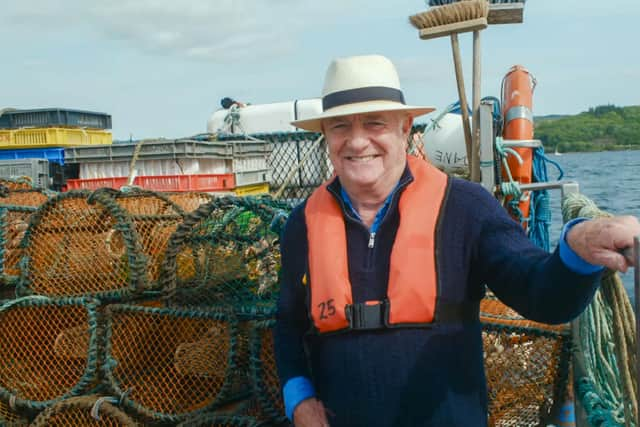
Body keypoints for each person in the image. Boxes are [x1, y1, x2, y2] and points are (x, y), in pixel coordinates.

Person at [274, 54, 640, 427]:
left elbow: (542, 295)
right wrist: (298, 399)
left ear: (405, 129)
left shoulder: (466, 208)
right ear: (326, 137)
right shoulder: (301, 224)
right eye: (339, 127)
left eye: (374, 123)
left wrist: (577, 248)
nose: (356, 141)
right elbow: (288, 324)